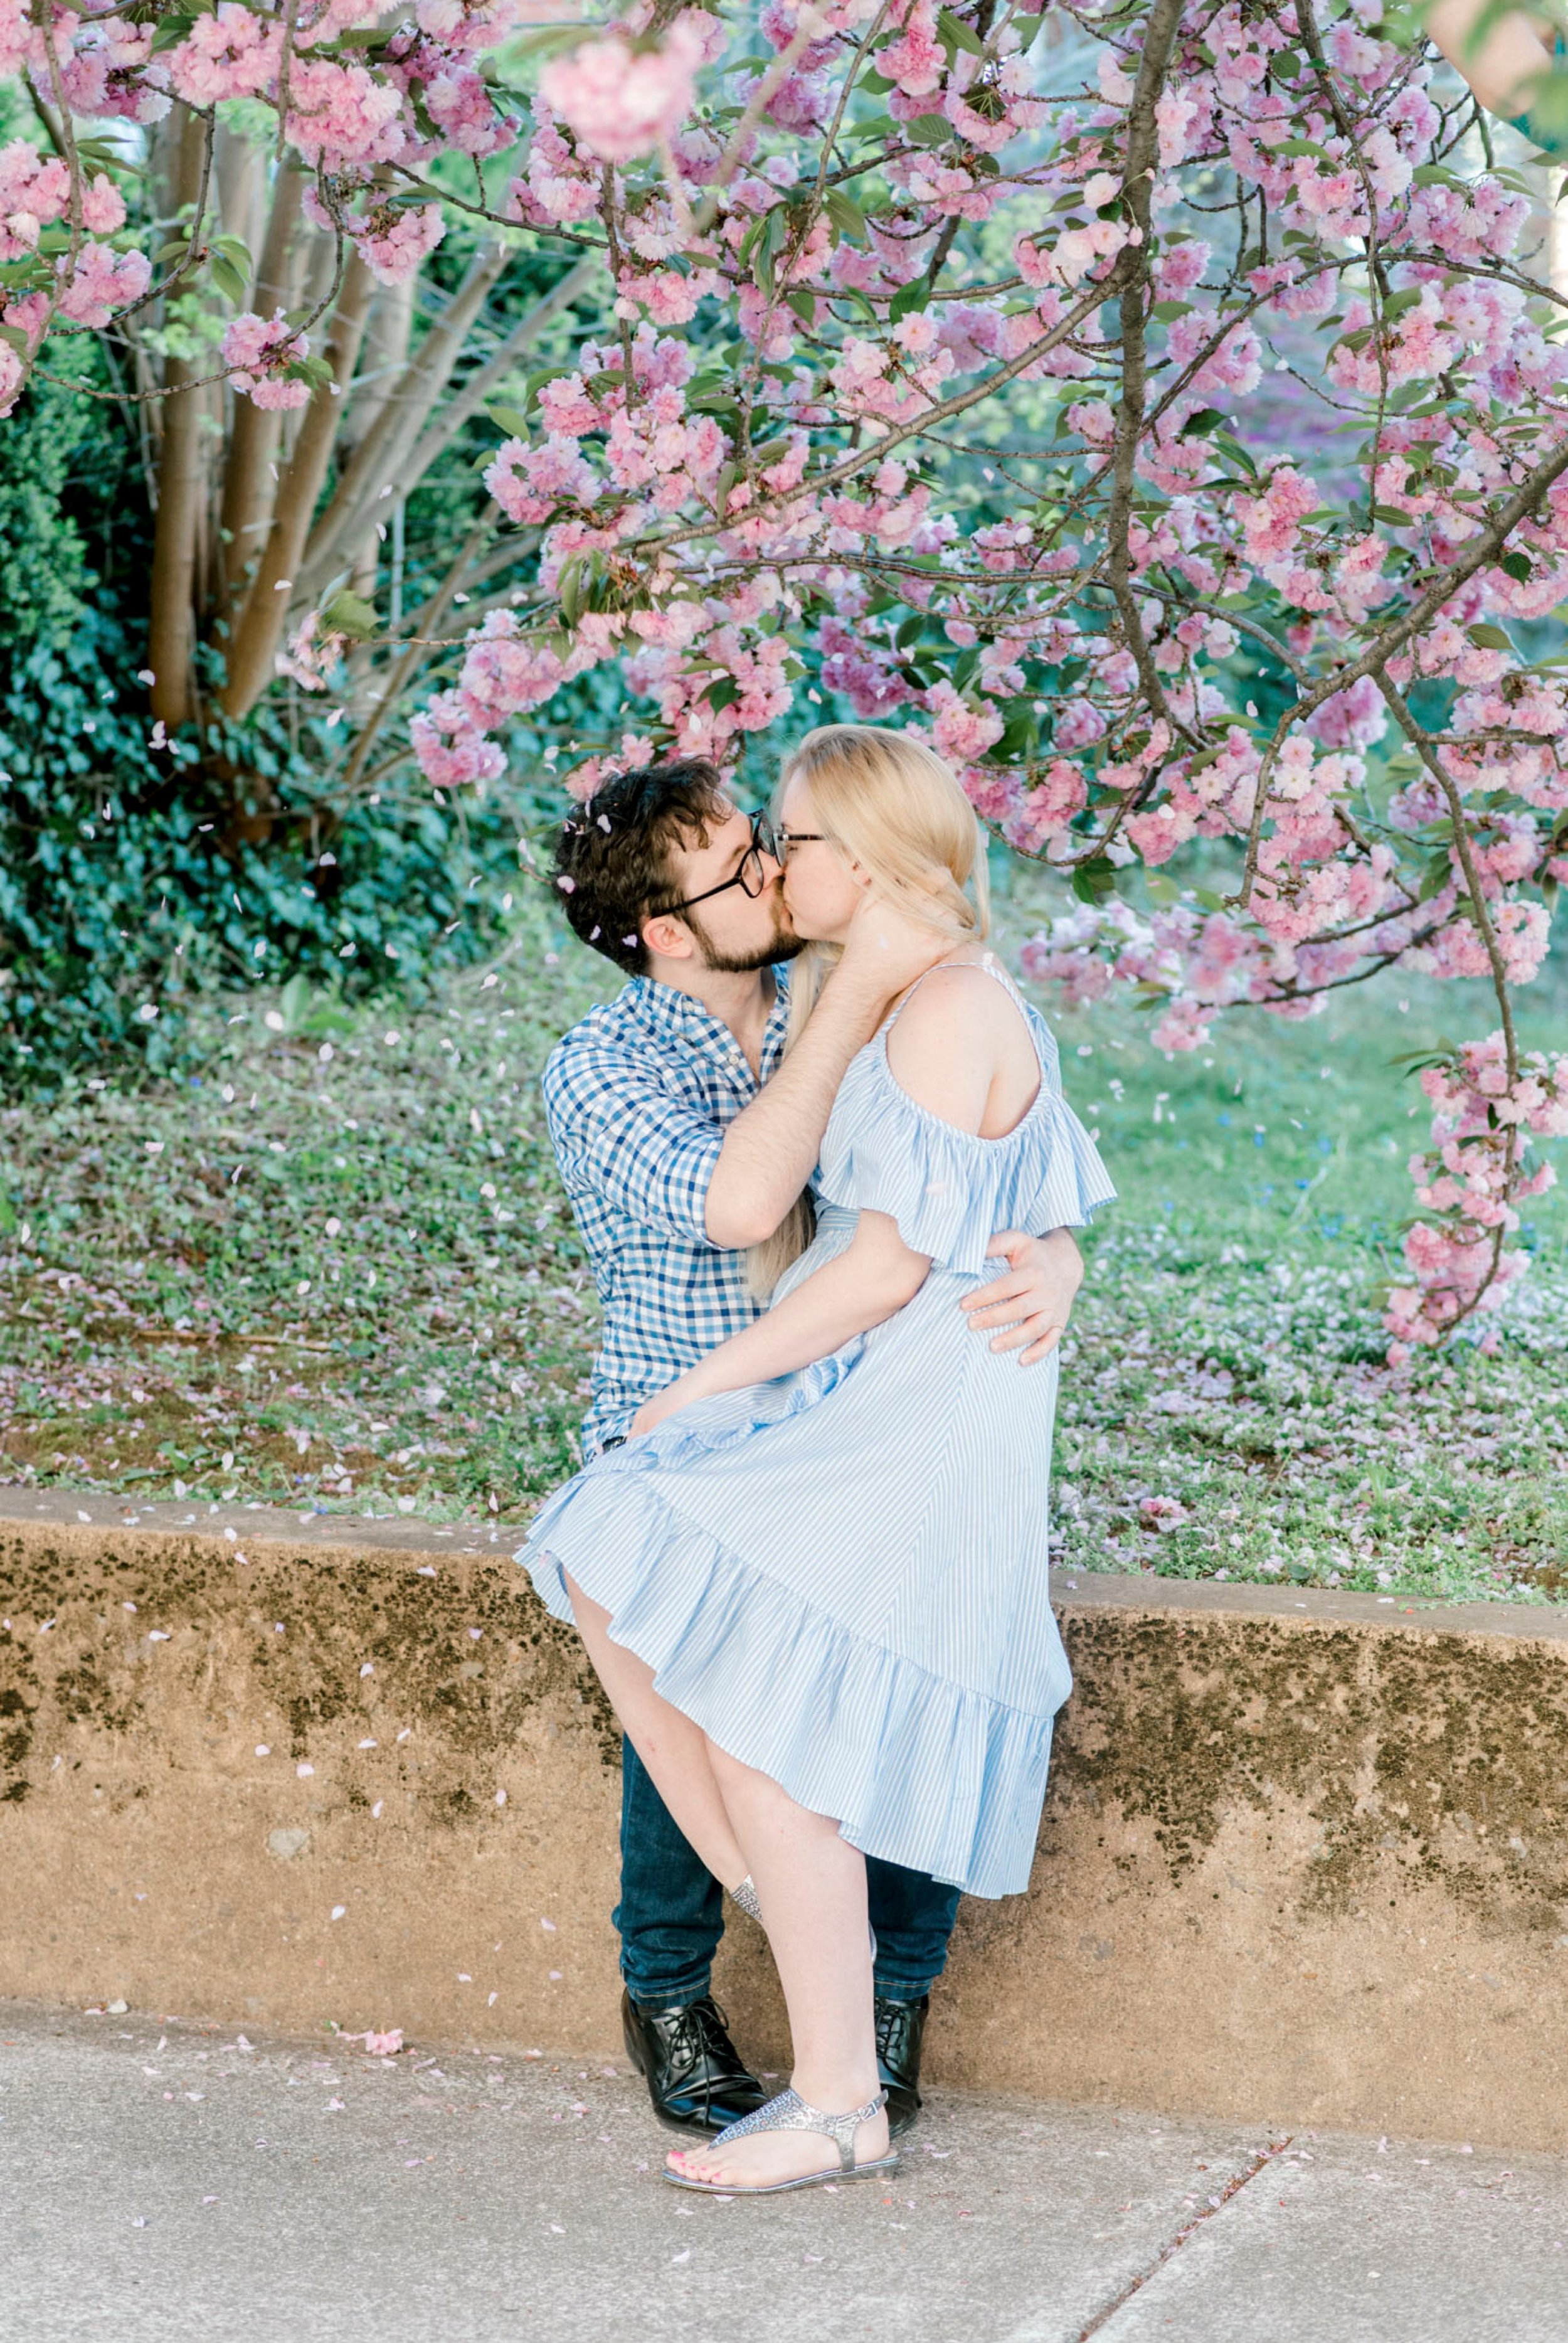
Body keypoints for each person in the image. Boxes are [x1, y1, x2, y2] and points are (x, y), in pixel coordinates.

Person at [517, 725, 1115, 2195]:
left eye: (781, 842)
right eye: (744, 862)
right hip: (698, 1401)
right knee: (695, 1670)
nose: (773, 870)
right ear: (666, 931)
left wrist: (1054, 1255)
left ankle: (856, 2015)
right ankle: (684, 1982)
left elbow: (970, 1181)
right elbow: (745, 1208)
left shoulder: (847, 993)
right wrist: (852, 996)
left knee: (824, 1707)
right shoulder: (608, 1063)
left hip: (849, 1403)